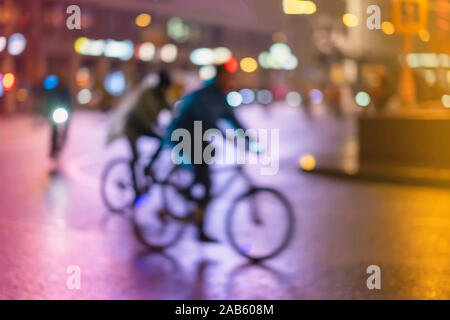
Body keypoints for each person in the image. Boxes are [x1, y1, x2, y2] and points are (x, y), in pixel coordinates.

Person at [166, 64, 249, 242]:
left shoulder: (220, 97)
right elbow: (210, 123)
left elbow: (233, 121)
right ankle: (190, 200)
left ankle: (198, 218)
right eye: (227, 77)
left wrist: (250, 140)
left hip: (200, 138)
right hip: (184, 135)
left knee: (206, 180)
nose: (230, 80)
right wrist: (231, 139)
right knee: (205, 181)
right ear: (219, 77)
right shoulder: (203, 95)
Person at [124, 70, 173, 198]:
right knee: (136, 157)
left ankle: (149, 166)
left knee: (163, 141)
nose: (166, 90)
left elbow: (171, 110)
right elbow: (142, 117)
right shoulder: (147, 94)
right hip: (133, 128)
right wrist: (156, 129)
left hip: (147, 127)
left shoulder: (162, 97)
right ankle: (135, 189)